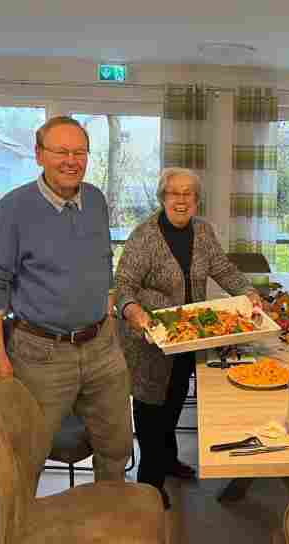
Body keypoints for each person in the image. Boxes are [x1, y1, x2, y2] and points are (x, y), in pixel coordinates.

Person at [0, 116, 132, 484]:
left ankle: (107, 524)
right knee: (25, 457)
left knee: (117, 448)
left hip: (101, 349)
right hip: (40, 353)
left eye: (79, 152)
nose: (71, 160)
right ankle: (16, 533)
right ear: (38, 155)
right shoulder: (13, 209)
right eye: (61, 151)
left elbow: (103, 262)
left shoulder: (95, 199)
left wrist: (108, 319)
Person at [116, 167, 261, 509]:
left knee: (174, 402)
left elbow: (223, 269)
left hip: (188, 334)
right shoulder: (144, 236)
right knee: (152, 412)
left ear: (196, 200)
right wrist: (132, 311)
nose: (181, 200)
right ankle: (150, 485)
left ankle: (168, 461)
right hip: (149, 338)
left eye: (188, 194)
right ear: (162, 197)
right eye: (173, 193)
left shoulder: (203, 231)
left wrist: (249, 293)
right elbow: (123, 285)